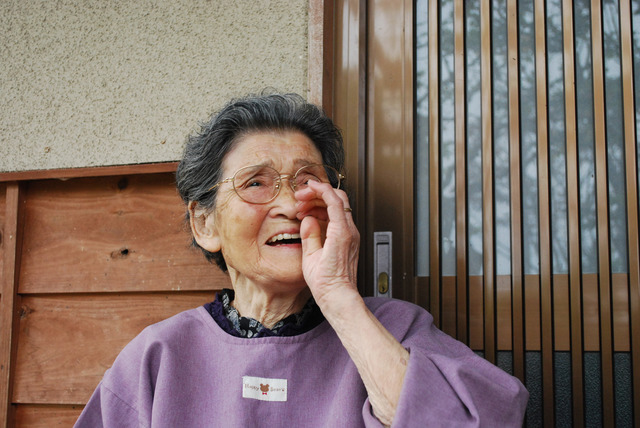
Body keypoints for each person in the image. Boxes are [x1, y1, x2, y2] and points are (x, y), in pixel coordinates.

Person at [75, 92, 528, 427]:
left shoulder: (395, 330)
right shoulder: (159, 355)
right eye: (256, 183)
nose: (291, 204)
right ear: (205, 224)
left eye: (307, 179)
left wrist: (339, 298)